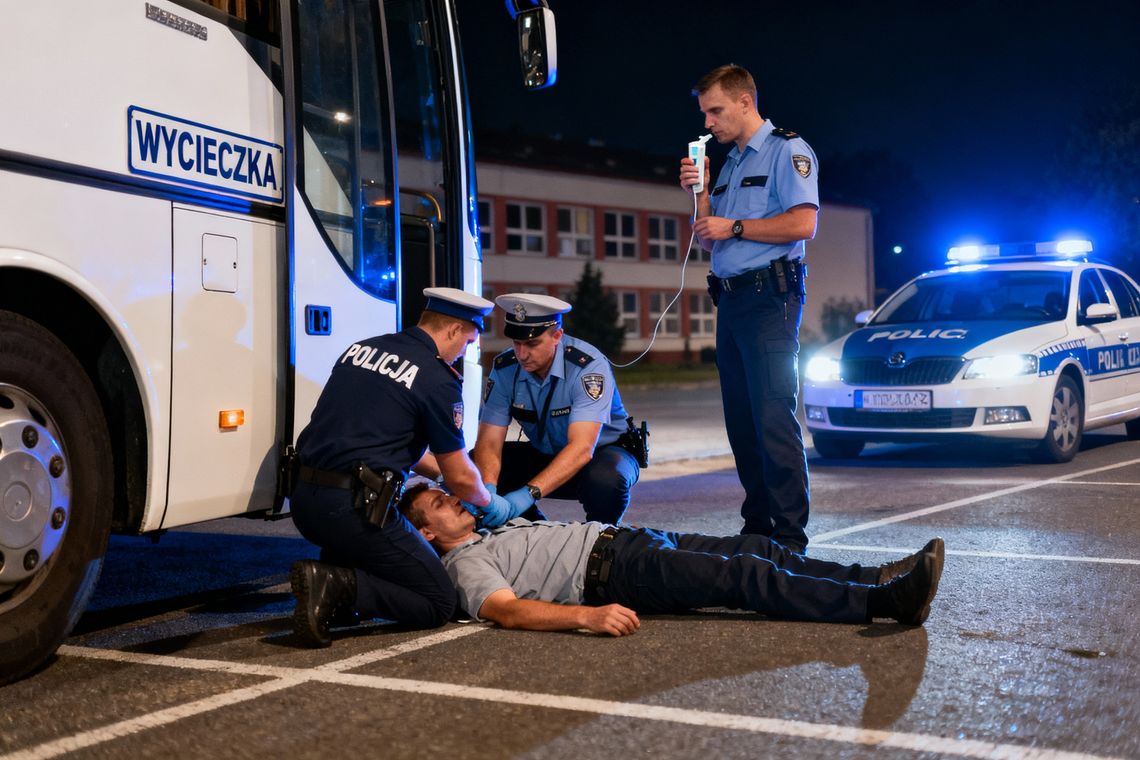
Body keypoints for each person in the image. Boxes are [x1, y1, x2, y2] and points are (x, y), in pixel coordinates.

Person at [399, 483, 945, 635]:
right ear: (426, 534)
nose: (452, 499)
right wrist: (587, 617)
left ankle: (876, 574)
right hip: (616, 574)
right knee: (744, 577)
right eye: (438, 505)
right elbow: (509, 610)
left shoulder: (488, 528)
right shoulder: (461, 567)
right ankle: (882, 603)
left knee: (758, 547)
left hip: (629, 540)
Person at [288, 287, 513, 647]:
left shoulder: (361, 349)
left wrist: (438, 474)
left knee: (381, 555)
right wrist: (489, 501)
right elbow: (460, 476)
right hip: (354, 512)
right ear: (454, 330)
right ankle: (338, 584)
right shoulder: (437, 379)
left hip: (305, 502)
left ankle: (337, 590)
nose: (466, 351)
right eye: (469, 340)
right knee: (438, 601)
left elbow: (379, 438)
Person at [678, 64, 819, 552]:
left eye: (715, 110)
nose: (709, 121)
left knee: (773, 416)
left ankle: (789, 537)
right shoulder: (731, 163)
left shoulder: (788, 150)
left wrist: (734, 226)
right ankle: (757, 527)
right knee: (741, 421)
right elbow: (707, 236)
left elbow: (803, 225)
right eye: (704, 113)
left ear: (744, 101)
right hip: (733, 300)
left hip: (771, 301)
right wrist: (700, 195)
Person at [472, 293, 641, 527]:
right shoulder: (505, 368)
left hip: (603, 455)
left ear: (557, 336)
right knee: (472, 468)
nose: (521, 354)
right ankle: (530, 532)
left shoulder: (587, 367)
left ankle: (601, 538)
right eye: (516, 343)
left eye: (532, 344)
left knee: (604, 480)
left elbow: (582, 448)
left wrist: (525, 495)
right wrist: (488, 492)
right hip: (547, 454)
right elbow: (489, 442)